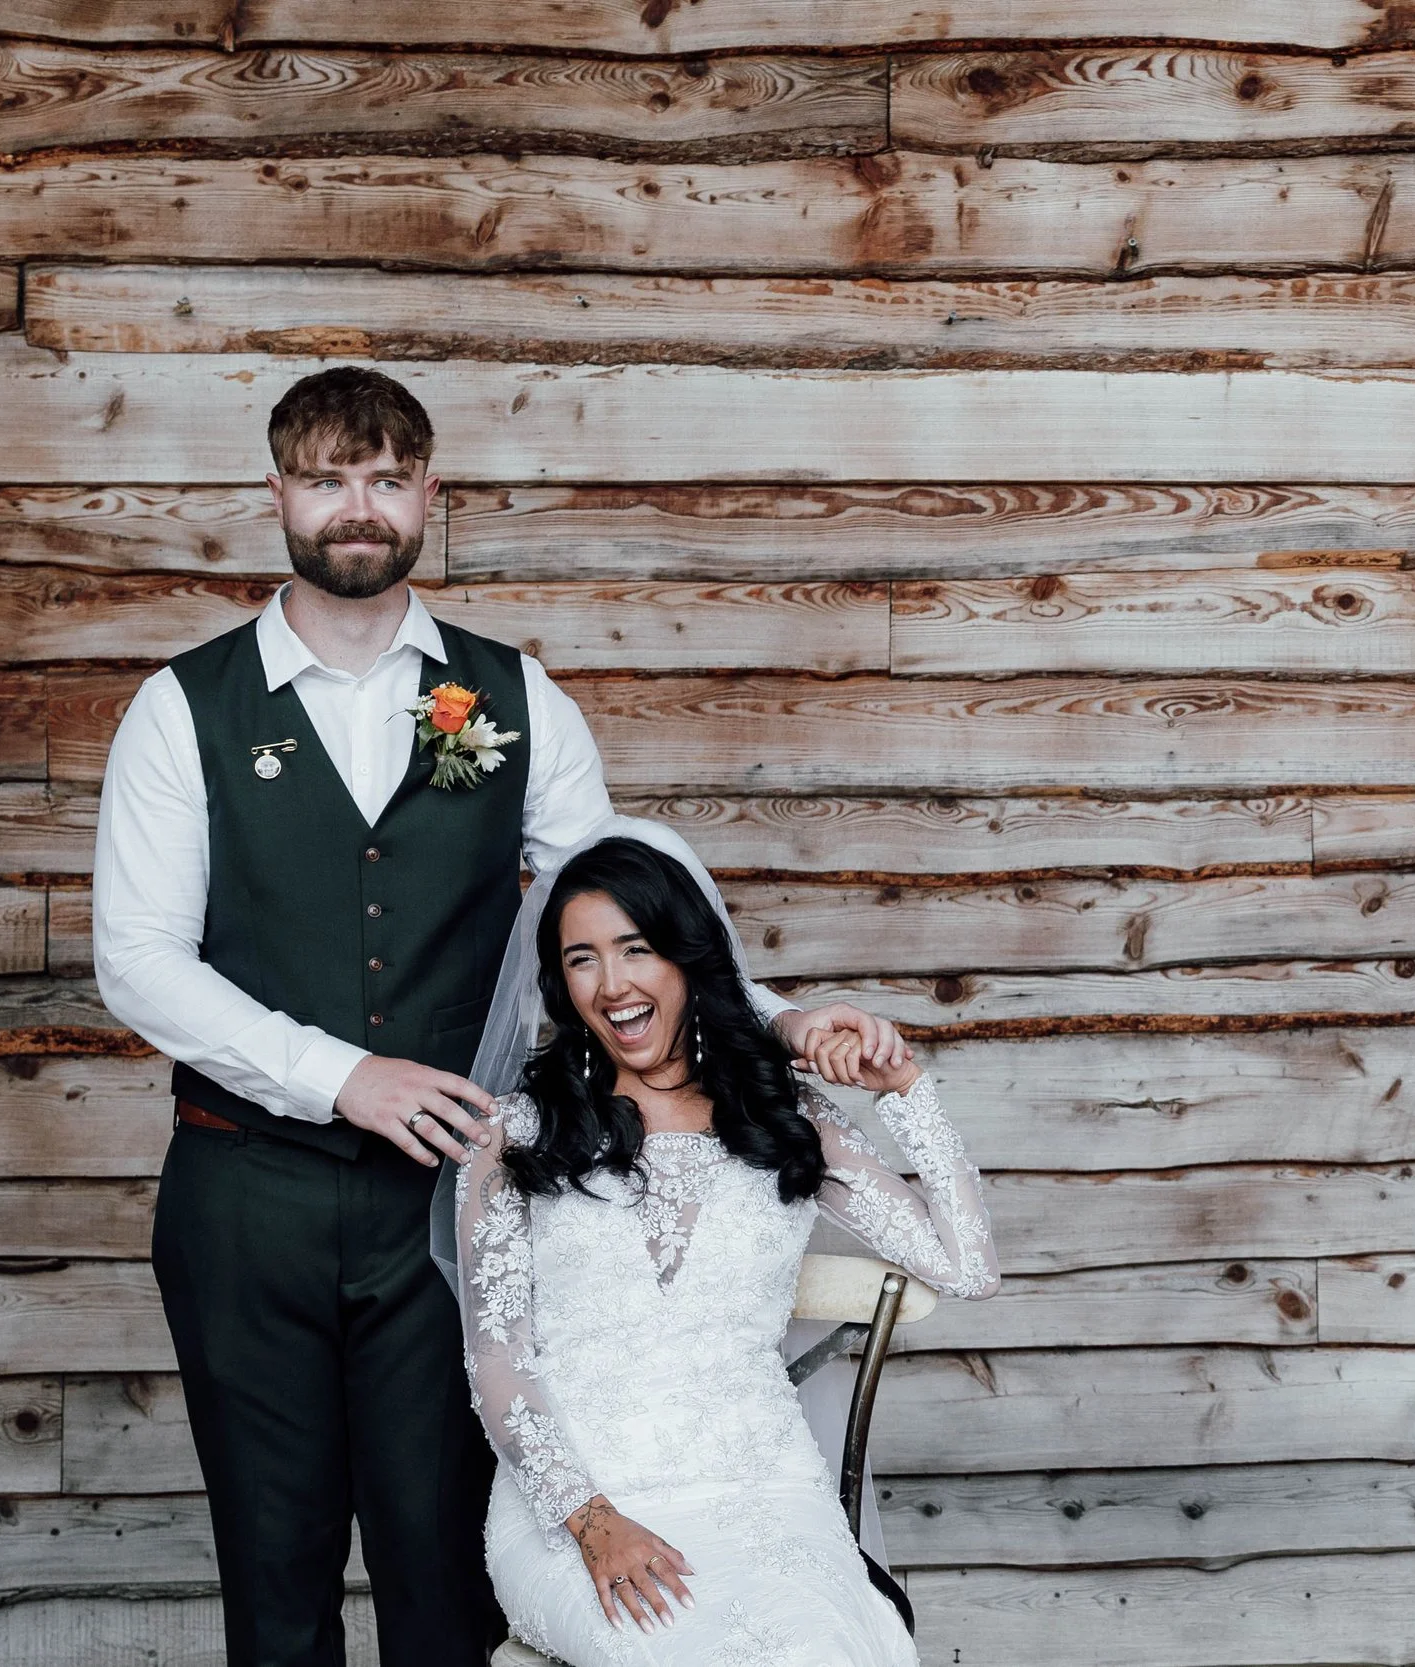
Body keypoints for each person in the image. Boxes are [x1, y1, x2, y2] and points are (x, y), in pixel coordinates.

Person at [92, 366, 913, 1667]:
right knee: (274, 1571)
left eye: (383, 477)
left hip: (452, 1204)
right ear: (278, 496)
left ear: (428, 494)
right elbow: (135, 958)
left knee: (447, 1575)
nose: (353, 506)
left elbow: (627, 923)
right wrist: (340, 1073)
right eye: (323, 478)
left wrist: (788, 1013)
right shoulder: (182, 709)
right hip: (245, 1200)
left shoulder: (510, 699)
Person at [457, 834, 1000, 1666]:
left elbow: (967, 1268)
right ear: (560, 983)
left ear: (687, 957)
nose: (613, 984)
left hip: (769, 1493)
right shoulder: (516, 1132)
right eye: (582, 959)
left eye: (636, 949)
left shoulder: (784, 1117)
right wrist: (593, 1523)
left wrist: (907, 1092)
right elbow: (499, 1361)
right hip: (580, 1505)